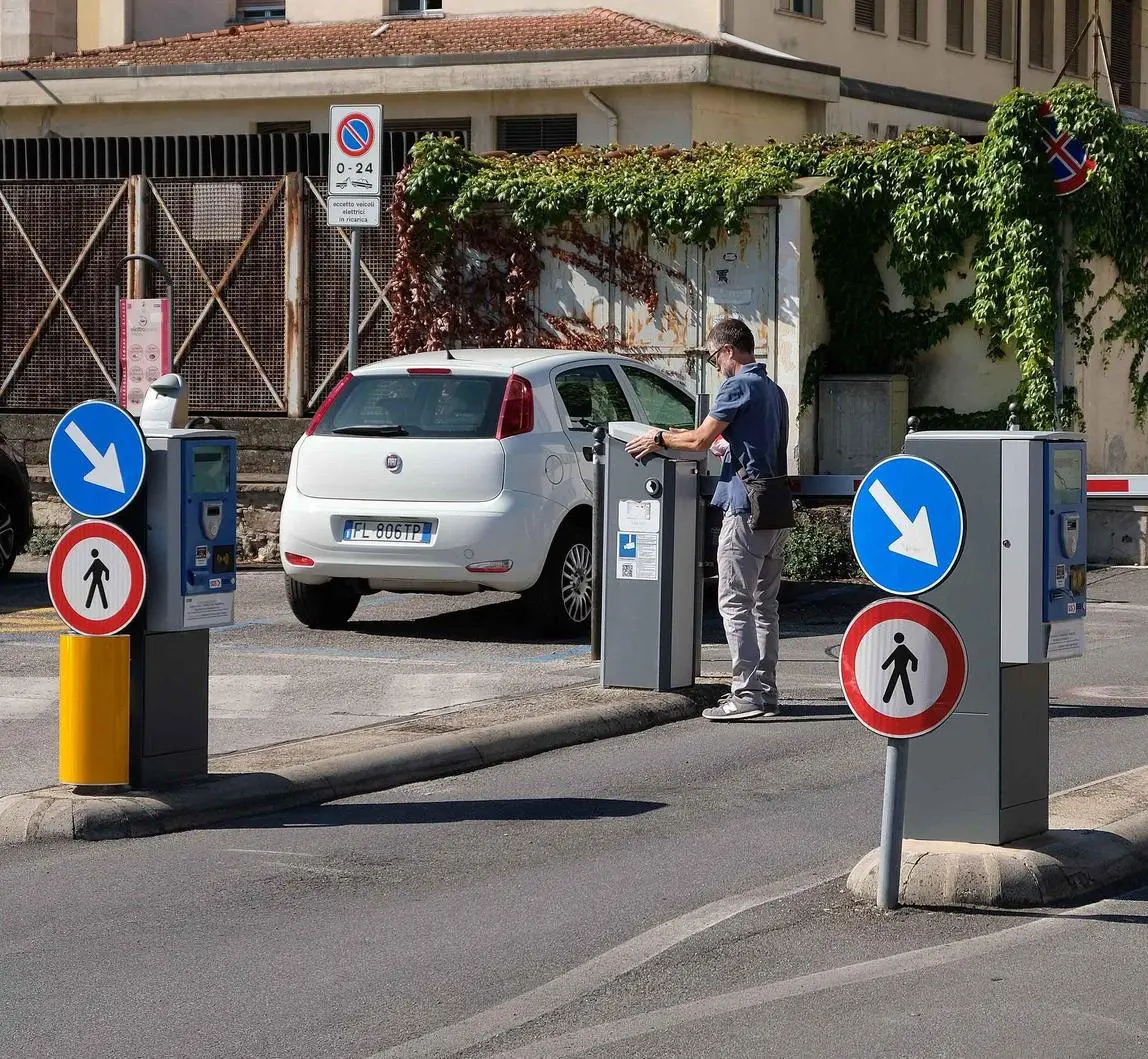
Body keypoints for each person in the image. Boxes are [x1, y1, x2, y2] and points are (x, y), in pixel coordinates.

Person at [626, 318, 789, 720]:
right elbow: (750, 443)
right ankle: (765, 693)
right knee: (765, 605)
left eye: (715, 356)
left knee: (734, 602)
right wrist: (725, 447)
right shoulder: (774, 390)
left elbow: (699, 440)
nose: (716, 365)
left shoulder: (736, 385)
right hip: (775, 506)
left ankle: (745, 695)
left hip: (744, 507)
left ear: (730, 351)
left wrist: (659, 438)